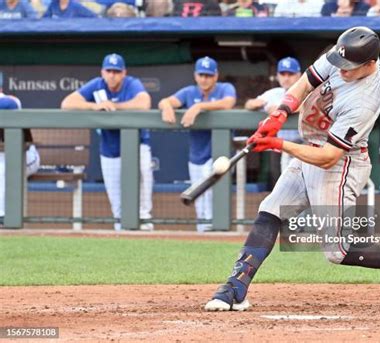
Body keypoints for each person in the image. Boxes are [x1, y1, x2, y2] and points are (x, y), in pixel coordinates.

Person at [205, 26, 380, 311]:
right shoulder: (344, 54)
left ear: (370, 65)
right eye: (340, 62)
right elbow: (305, 82)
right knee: (270, 210)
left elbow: (329, 157)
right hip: (312, 146)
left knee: (338, 251)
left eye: (349, 67)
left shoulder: (365, 101)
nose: (341, 70)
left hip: (341, 163)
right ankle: (235, 287)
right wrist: (280, 112)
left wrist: (278, 144)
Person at [61, 53, 154, 231]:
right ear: (102, 72)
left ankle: (145, 228)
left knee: (142, 201)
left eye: (116, 71)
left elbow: (144, 102)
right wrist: (95, 106)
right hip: (110, 149)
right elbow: (67, 103)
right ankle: (121, 233)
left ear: (124, 72)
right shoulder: (97, 85)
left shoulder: (131, 83)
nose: (112, 75)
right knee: (117, 203)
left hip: (137, 146)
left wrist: (114, 106)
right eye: (109, 71)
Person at [158, 56, 236, 232]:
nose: (204, 79)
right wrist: (168, 107)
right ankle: (203, 233)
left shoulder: (225, 88)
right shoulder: (189, 92)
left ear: (216, 76)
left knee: (213, 196)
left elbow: (228, 102)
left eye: (208, 75)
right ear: (195, 75)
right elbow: (165, 101)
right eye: (201, 75)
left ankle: (216, 230)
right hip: (197, 153)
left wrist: (199, 107)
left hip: (218, 154)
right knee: (199, 197)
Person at [245, 57, 302, 172]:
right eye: (283, 74)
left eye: (290, 74)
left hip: (304, 145)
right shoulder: (274, 93)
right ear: (277, 76)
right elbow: (248, 104)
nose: (286, 78)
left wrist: (281, 109)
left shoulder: (305, 91)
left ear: (299, 75)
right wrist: (257, 103)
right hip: (282, 146)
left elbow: (306, 105)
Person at [0, 83, 40, 223]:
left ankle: (3, 215)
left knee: (3, 166)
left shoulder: (9, 101)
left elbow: (8, 103)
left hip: (27, 157)